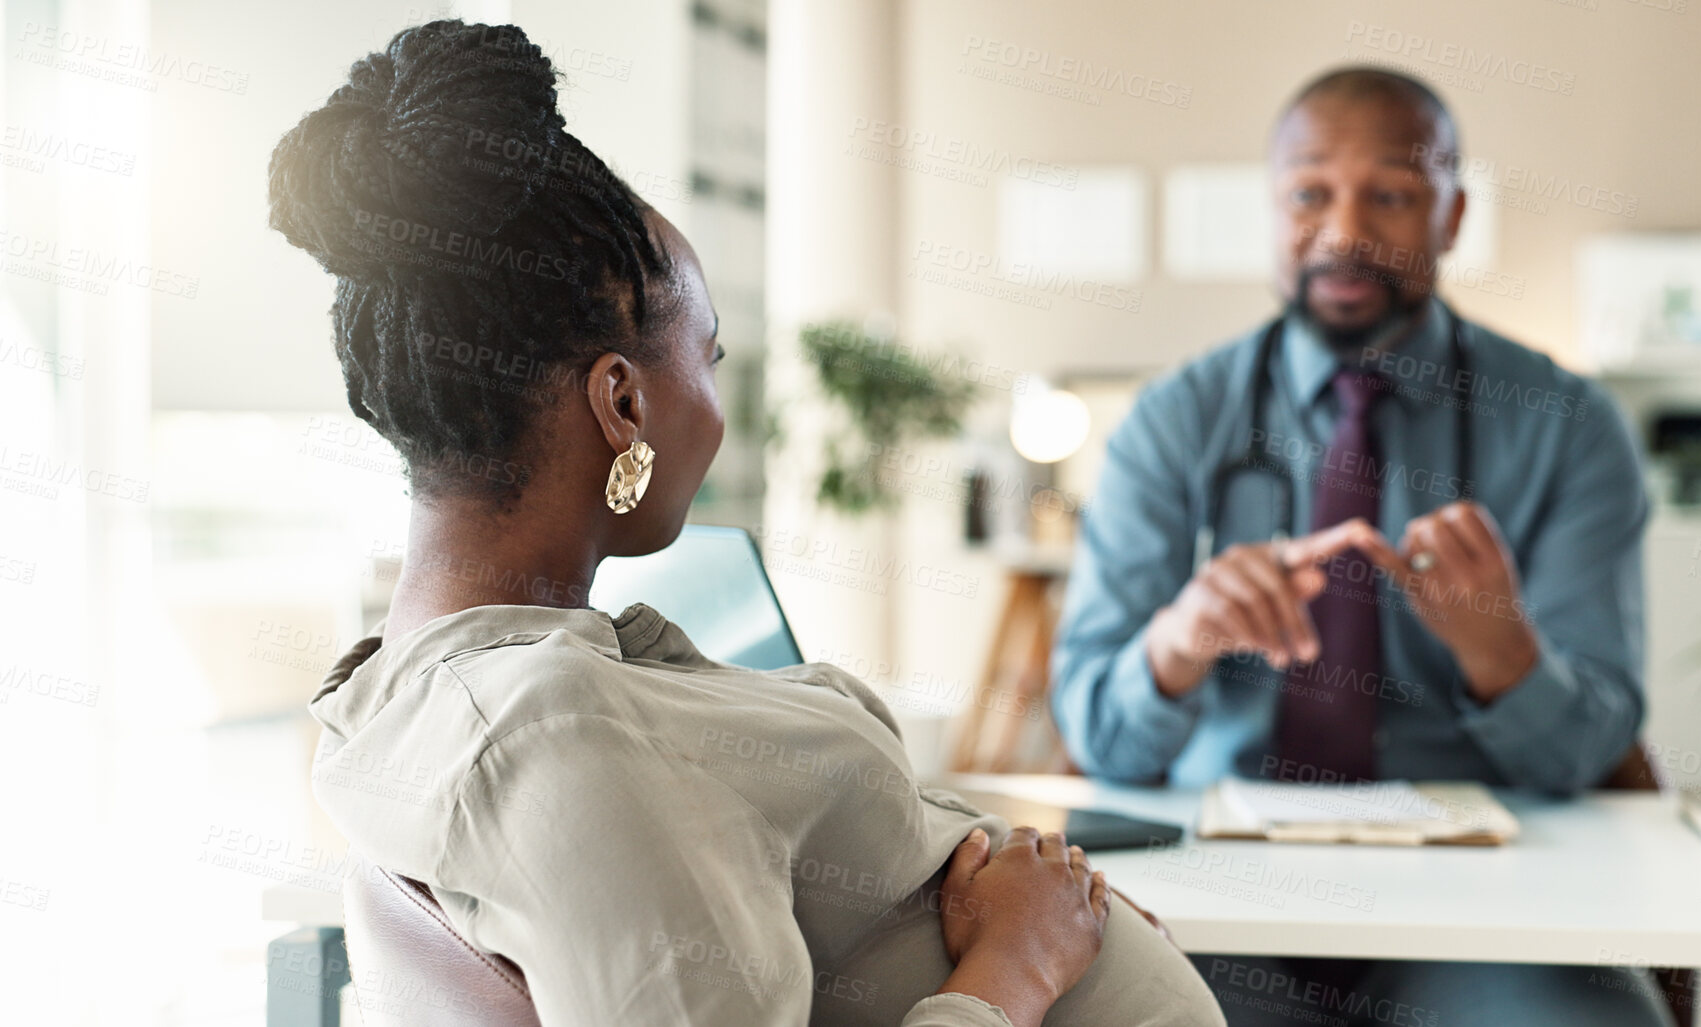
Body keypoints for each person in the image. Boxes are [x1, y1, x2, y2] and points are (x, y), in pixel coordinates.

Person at [272, 21, 1223, 1027]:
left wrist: (1055, 925)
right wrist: (1018, 966)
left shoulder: (468, 684)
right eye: (711, 355)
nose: (719, 401)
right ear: (622, 404)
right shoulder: (557, 736)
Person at [1050, 67, 1672, 1026]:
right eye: (1308, 193)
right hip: (1215, 904)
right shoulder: (1172, 420)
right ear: (1269, 210)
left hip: (1487, 913)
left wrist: (1501, 651)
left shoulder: (1567, 425)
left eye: (1390, 192)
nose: (1343, 230)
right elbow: (1094, 729)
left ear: (1452, 215)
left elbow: (1595, 749)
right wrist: (1179, 642)